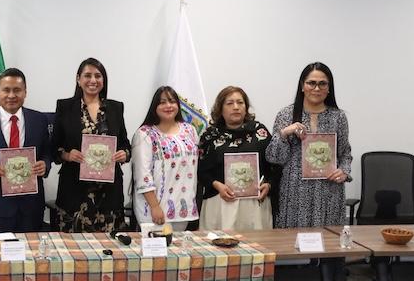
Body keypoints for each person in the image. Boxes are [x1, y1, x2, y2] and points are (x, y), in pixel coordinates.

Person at [266, 62, 352, 227]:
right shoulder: (286, 115)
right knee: (292, 240)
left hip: (329, 190)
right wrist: (284, 133)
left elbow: (345, 154)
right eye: (311, 83)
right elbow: (274, 158)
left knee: (329, 240)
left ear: (329, 88)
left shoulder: (338, 117)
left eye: (322, 84)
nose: (317, 88)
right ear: (302, 86)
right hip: (294, 191)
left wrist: (344, 171)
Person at [0, 68, 51, 232]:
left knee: (32, 248)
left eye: (17, 90)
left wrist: (45, 164)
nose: (11, 95)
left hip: (31, 206)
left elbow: (47, 153)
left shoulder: (40, 120)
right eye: (6, 90)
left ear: (25, 92)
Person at [53, 58, 130, 232]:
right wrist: (67, 155)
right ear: (78, 79)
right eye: (87, 75)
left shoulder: (116, 108)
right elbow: (54, 147)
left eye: (98, 76)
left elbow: (125, 144)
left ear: (104, 80)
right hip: (74, 192)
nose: (93, 80)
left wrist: (124, 154)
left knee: (109, 246)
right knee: (73, 246)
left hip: (109, 193)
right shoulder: (65, 107)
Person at [198, 86, 273, 231]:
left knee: (256, 243)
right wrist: (216, 185)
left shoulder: (260, 133)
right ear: (220, 109)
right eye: (230, 103)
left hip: (254, 205)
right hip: (220, 202)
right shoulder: (210, 136)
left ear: (246, 107)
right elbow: (200, 170)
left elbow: (274, 165)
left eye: (240, 102)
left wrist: (269, 185)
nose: (236, 107)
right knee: (218, 244)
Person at [131, 86, 199, 231]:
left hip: (183, 208)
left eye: (172, 101)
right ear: (155, 107)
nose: (168, 106)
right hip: (154, 210)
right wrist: (155, 206)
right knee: (156, 245)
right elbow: (142, 175)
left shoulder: (190, 130)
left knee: (178, 245)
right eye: (162, 102)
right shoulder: (145, 134)